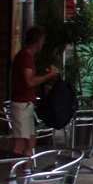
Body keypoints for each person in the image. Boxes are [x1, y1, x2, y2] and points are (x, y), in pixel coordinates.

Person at [10, 26, 59, 156]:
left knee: (30, 142)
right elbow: (29, 81)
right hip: (22, 104)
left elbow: (30, 81)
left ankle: (26, 174)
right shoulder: (24, 57)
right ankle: (13, 173)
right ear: (39, 40)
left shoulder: (27, 57)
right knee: (20, 143)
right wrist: (48, 76)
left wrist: (43, 83)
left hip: (27, 103)